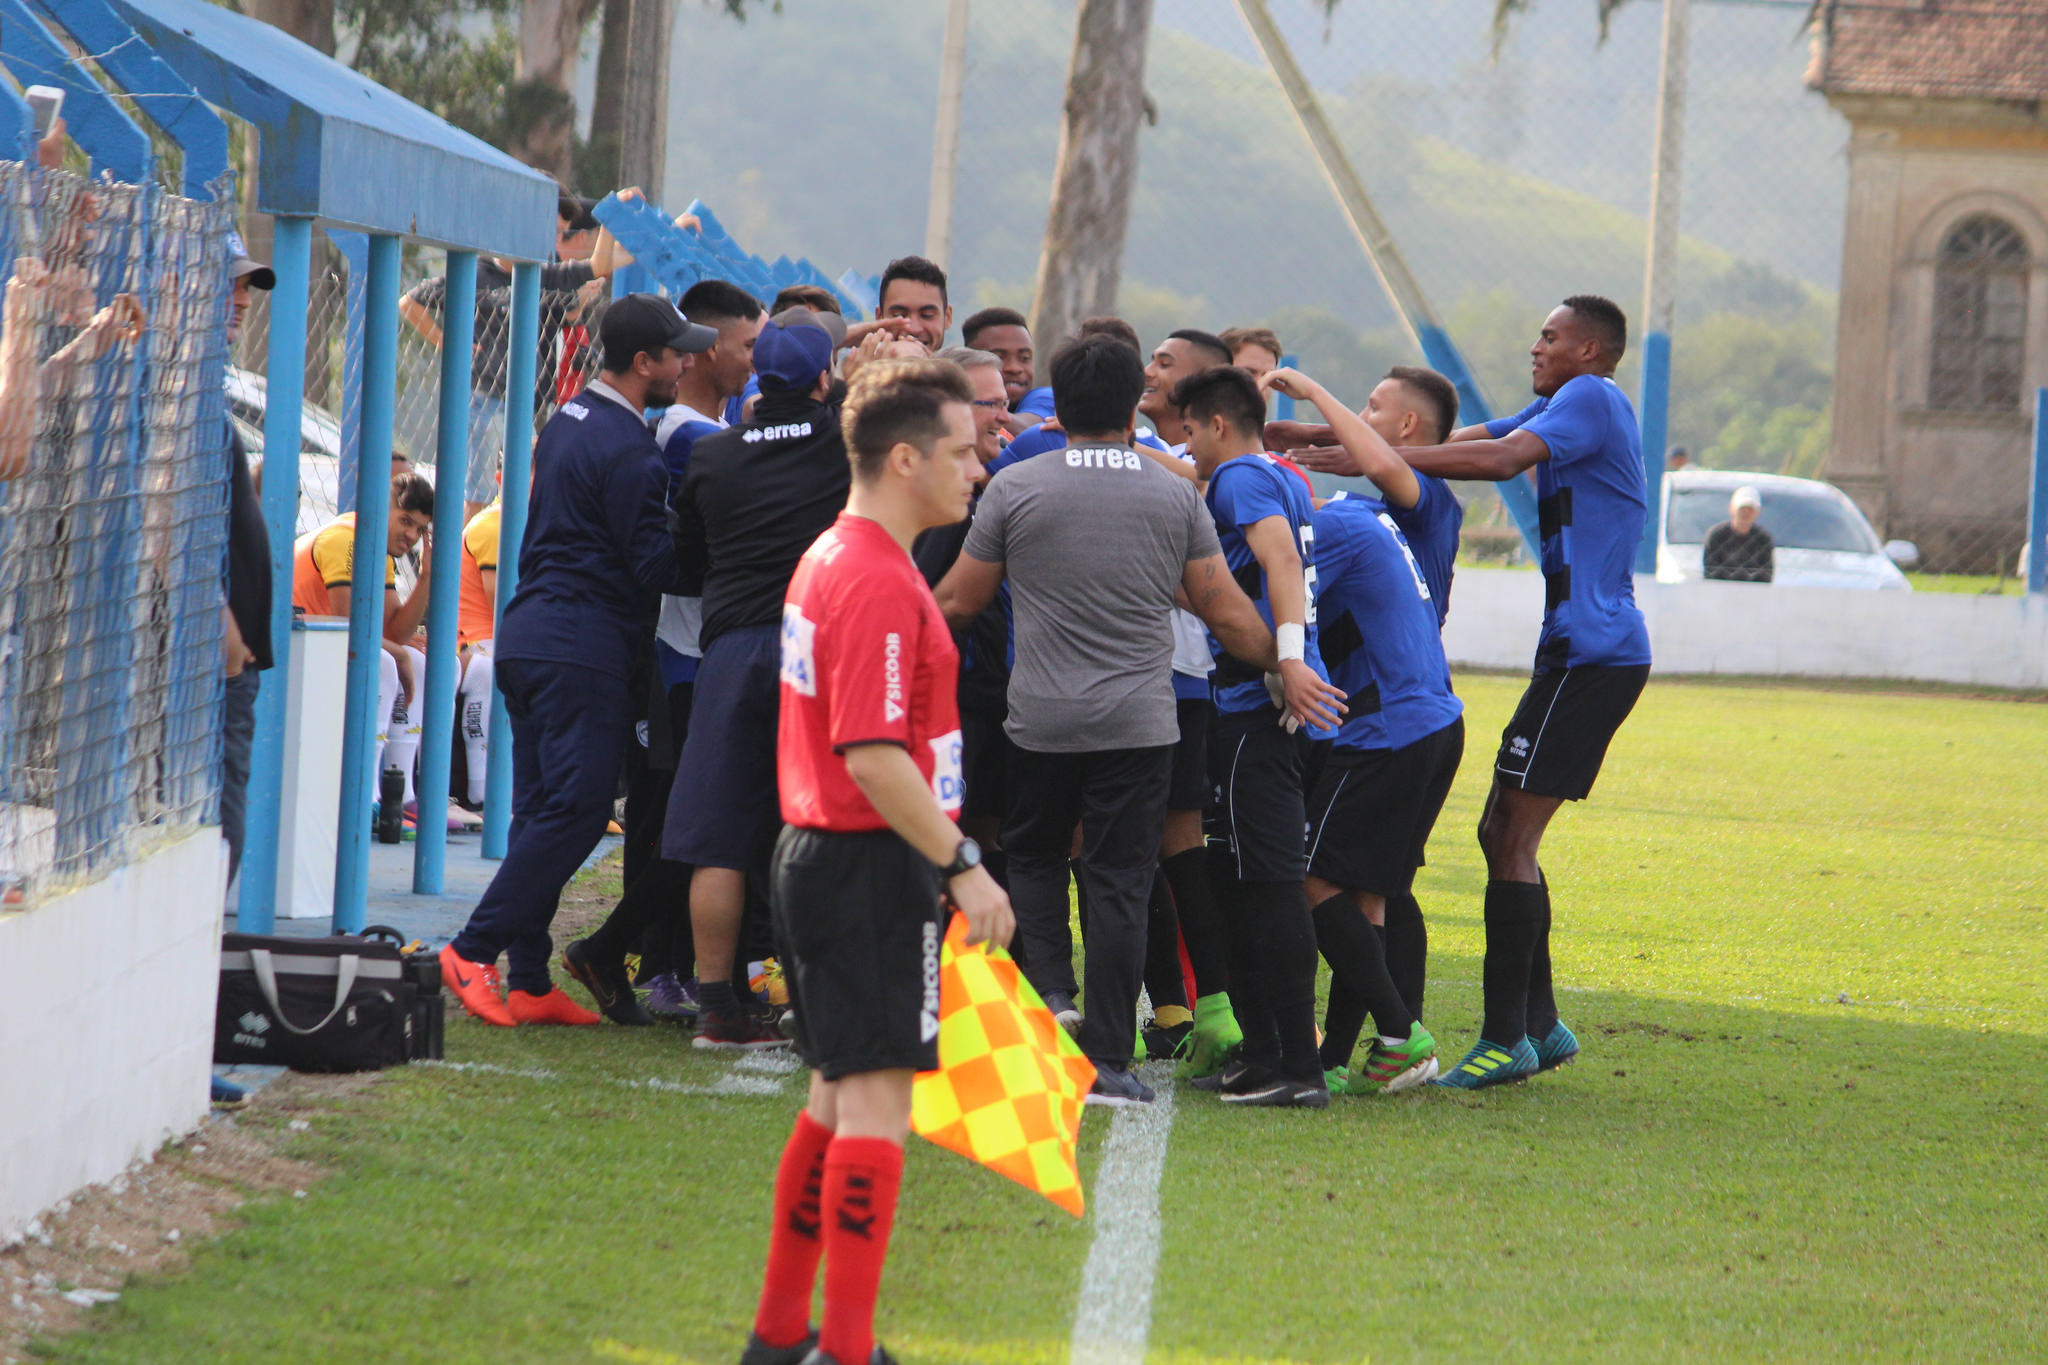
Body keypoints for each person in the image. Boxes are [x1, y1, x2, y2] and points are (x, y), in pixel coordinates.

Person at [935, 336, 1316, 1106]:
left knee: (1034, 857)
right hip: (1141, 724)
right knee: (1117, 879)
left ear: (1057, 402)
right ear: (1138, 405)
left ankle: (1053, 995)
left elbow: (956, 601)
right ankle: (1108, 1054)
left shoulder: (1016, 485)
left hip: (1039, 718)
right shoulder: (1174, 494)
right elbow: (1226, 612)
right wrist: (1288, 668)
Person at [738, 359, 1012, 1365]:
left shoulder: (840, 556)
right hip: (863, 861)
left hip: (829, 855)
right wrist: (962, 862)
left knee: (833, 1094)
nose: (976, 469)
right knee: (876, 1104)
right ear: (904, 459)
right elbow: (871, 751)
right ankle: (842, 1351)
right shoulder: (870, 576)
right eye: (961, 450)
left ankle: (779, 1336)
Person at [1382, 295, 1652, 1089]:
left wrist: (1382, 459)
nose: (1536, 345)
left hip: (1595, 654)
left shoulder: (1592, 398)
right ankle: (1539, 1023)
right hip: (1575, 651)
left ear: (1592, 349)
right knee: (1501, 830)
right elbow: (1464, 440)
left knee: (1511, 838)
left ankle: (1508, 1038)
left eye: (1551, 334)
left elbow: (1496, 463)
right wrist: (1335, 441)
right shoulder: (1560, 405)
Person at [440, 294, 714, 1028]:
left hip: (529, 638)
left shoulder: (567, 419)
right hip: (580, 647)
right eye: (677, 353)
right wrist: (728, 541)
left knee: (541, 810)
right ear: (643, 363)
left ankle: (528, 978)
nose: (688, 363)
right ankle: (471, 949)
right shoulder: (629, 448)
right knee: (581, 808)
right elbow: (656, 564)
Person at [660, 310, 885, 1049]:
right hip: (823, 649)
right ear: (825, 378)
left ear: (759, 377)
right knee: (820, 831)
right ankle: (815, 1007)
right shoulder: (846, 446)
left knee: (719, 838)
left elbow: (687, 561)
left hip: (732, 651)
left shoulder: (712, 457)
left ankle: (716, 1007)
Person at [564, 280, 767, 1026]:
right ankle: (653, 961)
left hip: (704, 652)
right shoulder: (686, 431)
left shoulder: (717, 427)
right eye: (748, 345)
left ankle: (671, 962)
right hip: (683, 654)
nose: (752, 360)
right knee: (683, 821)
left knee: (702, 819)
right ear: (708, 350)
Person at [1279, 389, 1466, 1094]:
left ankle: (1403, 1031)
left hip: (1389, 724)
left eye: (1372, 404)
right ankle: (1352, 1054)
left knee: (1312, 876)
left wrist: (1311, 396)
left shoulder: (1418, 501)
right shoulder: (1369, 516)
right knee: (1372, 894)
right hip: (1424, 713)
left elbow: (1282, 601)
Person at [1174, 365, 1348, 1109]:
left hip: (1259, 708)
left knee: (1271, 886)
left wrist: (1287, 659)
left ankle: (1296, 1068)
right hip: (1252, 703)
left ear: (1217, 423)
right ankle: (1264, 1051)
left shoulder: (1241, 480)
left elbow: (1279, 560)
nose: (1185, 447)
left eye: (1188, 431)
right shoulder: (1274, 475)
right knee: (1243, 883)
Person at [401, 190, 621, 521]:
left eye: (562, 233)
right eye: (553, 231)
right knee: (480, 497)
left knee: (523, 489)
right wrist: (445, 341)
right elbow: (410, 303)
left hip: (523, 403)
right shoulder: (477, 273)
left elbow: (596, 270)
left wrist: (619, 220)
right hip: (486, 396)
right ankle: (459, 565)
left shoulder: (539, 274)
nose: (556, 241)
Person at [1267, 365, 1465, 621]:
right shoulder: (1393, 504)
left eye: (1373, 408)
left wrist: (1314, 393)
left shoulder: (1432, 496)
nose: (1360, 419)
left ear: (1407, 424)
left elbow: (1380, 466)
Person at [292, 472, 437, 810]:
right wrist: (397, 652)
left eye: (419, 528)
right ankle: (366, 795)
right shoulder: (347, 538)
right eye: (405, 521)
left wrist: (426, 577)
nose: (411, 536)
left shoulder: (379, 549)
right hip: (298, 645)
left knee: (417, 658)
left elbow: (393, 632)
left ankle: (402, 796)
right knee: (386, 660)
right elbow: (346, 625)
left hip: (324, 645)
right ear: (378, 507)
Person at [220, 231, 276, 887]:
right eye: (229, 283)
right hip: (212, 667)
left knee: (223, 839)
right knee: (217, 836)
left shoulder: (205, 390)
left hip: (232, 665)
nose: (242, 300)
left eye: (245, 286)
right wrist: (225, 628)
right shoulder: (180, 389)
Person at [455, 488, 500, 809]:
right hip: (475, 643)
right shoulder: (494, 525)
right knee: (494, 669)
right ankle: (482, 791)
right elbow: (505, 608)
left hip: (494, 640)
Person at [960, 306, 1050, 428]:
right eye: (998, 358)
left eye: (1024, 358)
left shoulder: (1046, 399)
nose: (1014, 368)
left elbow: (1029, 429)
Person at [875, 255, 951, 352]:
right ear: (879, 318)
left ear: (947, 317)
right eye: (899, 316)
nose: (914, 329)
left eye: (927, 315)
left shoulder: (969, 366)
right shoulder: (858, 366)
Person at [1703, 486, 1774, 583]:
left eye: (1751, 509)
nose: (1746, 513)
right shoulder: (1717, 535)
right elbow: (1710, 572)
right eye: (1742, 508)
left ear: (1758, 512)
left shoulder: (1763, 539)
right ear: (1731, 509)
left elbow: (1766, 575)